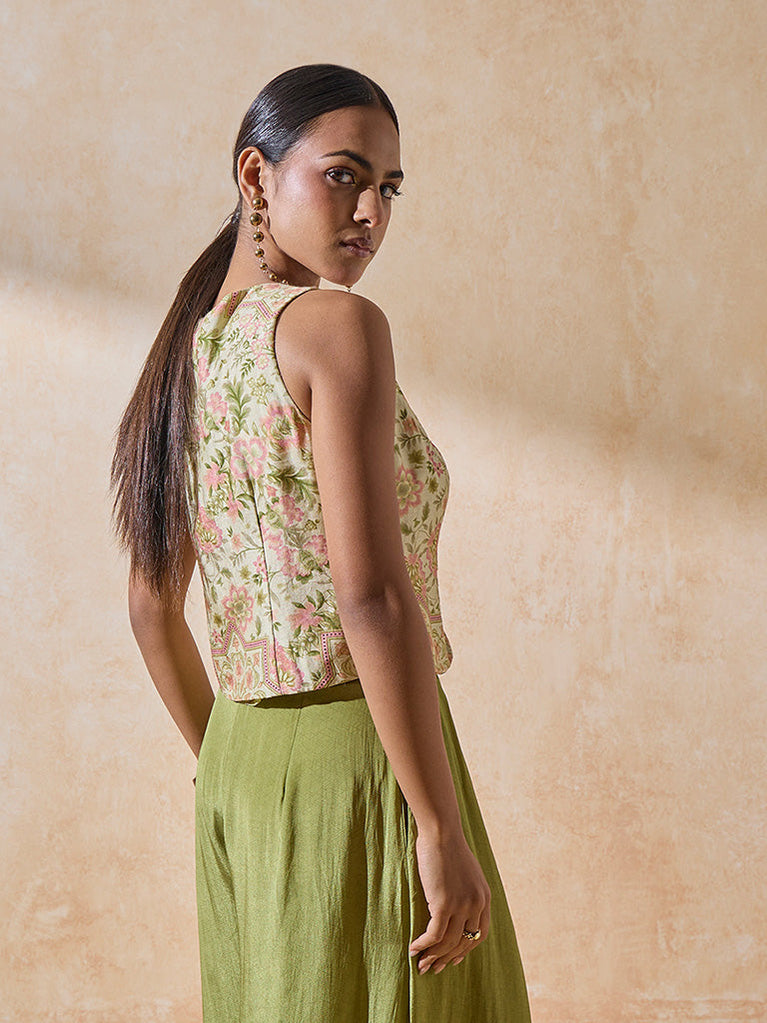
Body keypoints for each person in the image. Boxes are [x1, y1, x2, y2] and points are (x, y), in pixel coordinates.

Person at [110, 63, 531, 1022]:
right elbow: (369, 596)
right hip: (365, 749)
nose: (370, 213)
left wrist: (228, 764)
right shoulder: (336, 326)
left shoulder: (193, 348)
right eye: (343, 175)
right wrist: (436, 825)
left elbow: (147, 606)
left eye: (388, 188)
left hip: (238, 765)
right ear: (255, 176)